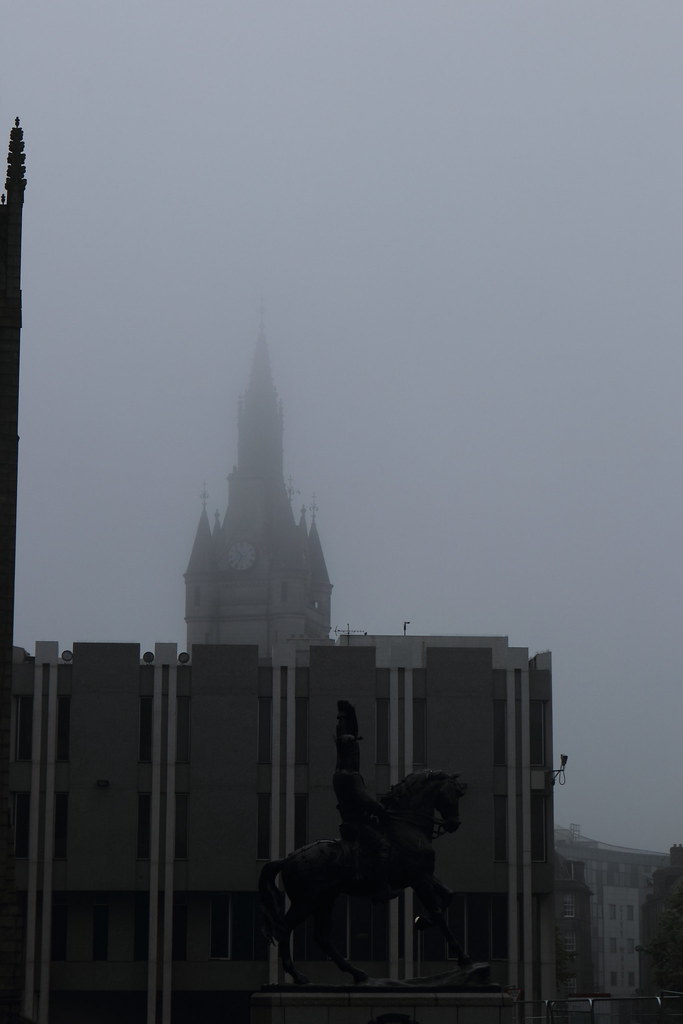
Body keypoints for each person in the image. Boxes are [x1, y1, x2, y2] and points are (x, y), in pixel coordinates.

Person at [332, 700, 397, 902]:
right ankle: (380, 888)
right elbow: (365, 800)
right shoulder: (350, 776)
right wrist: (381, 811)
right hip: (357, 824)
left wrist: (349, 715)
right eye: (354, 753)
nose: (356, 756)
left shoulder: (340, 774)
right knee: (383, 846)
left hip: (356, 821)